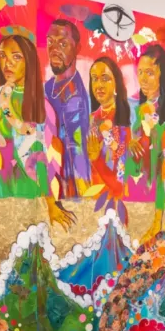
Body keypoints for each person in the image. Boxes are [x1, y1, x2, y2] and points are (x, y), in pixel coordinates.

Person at [0, 30, 76, 230]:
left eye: (16, 57)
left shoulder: (38, 106)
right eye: (2, 56)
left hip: (29, 190)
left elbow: (41, 156)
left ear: (29, 62)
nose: (7, 63)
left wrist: (50, 202)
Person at [127, 43, 165, 242]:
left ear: (161, 76)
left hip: (157, 196)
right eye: (140, 72)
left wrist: (157, 221)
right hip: (136, 189)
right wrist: (131, 143)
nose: (143, 79)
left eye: (149, 73)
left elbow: (164, 169)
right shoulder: (138, 110)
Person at [44, 19, 91, 198]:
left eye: (63, 44)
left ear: (77, 48)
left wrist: (81, 199)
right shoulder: (49, 86)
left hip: (64, 188)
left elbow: (77, 151)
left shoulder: (75, 97)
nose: (54, 49)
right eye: (50, 42)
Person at [87, 56, 130, 201]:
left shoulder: (123, 122)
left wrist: (96, 159)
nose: (99, 85)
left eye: (105, 79)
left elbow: (120, 185)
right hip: (91, 202)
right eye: (94, 79)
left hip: (115, 203)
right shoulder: (90, 120)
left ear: (116, 83)